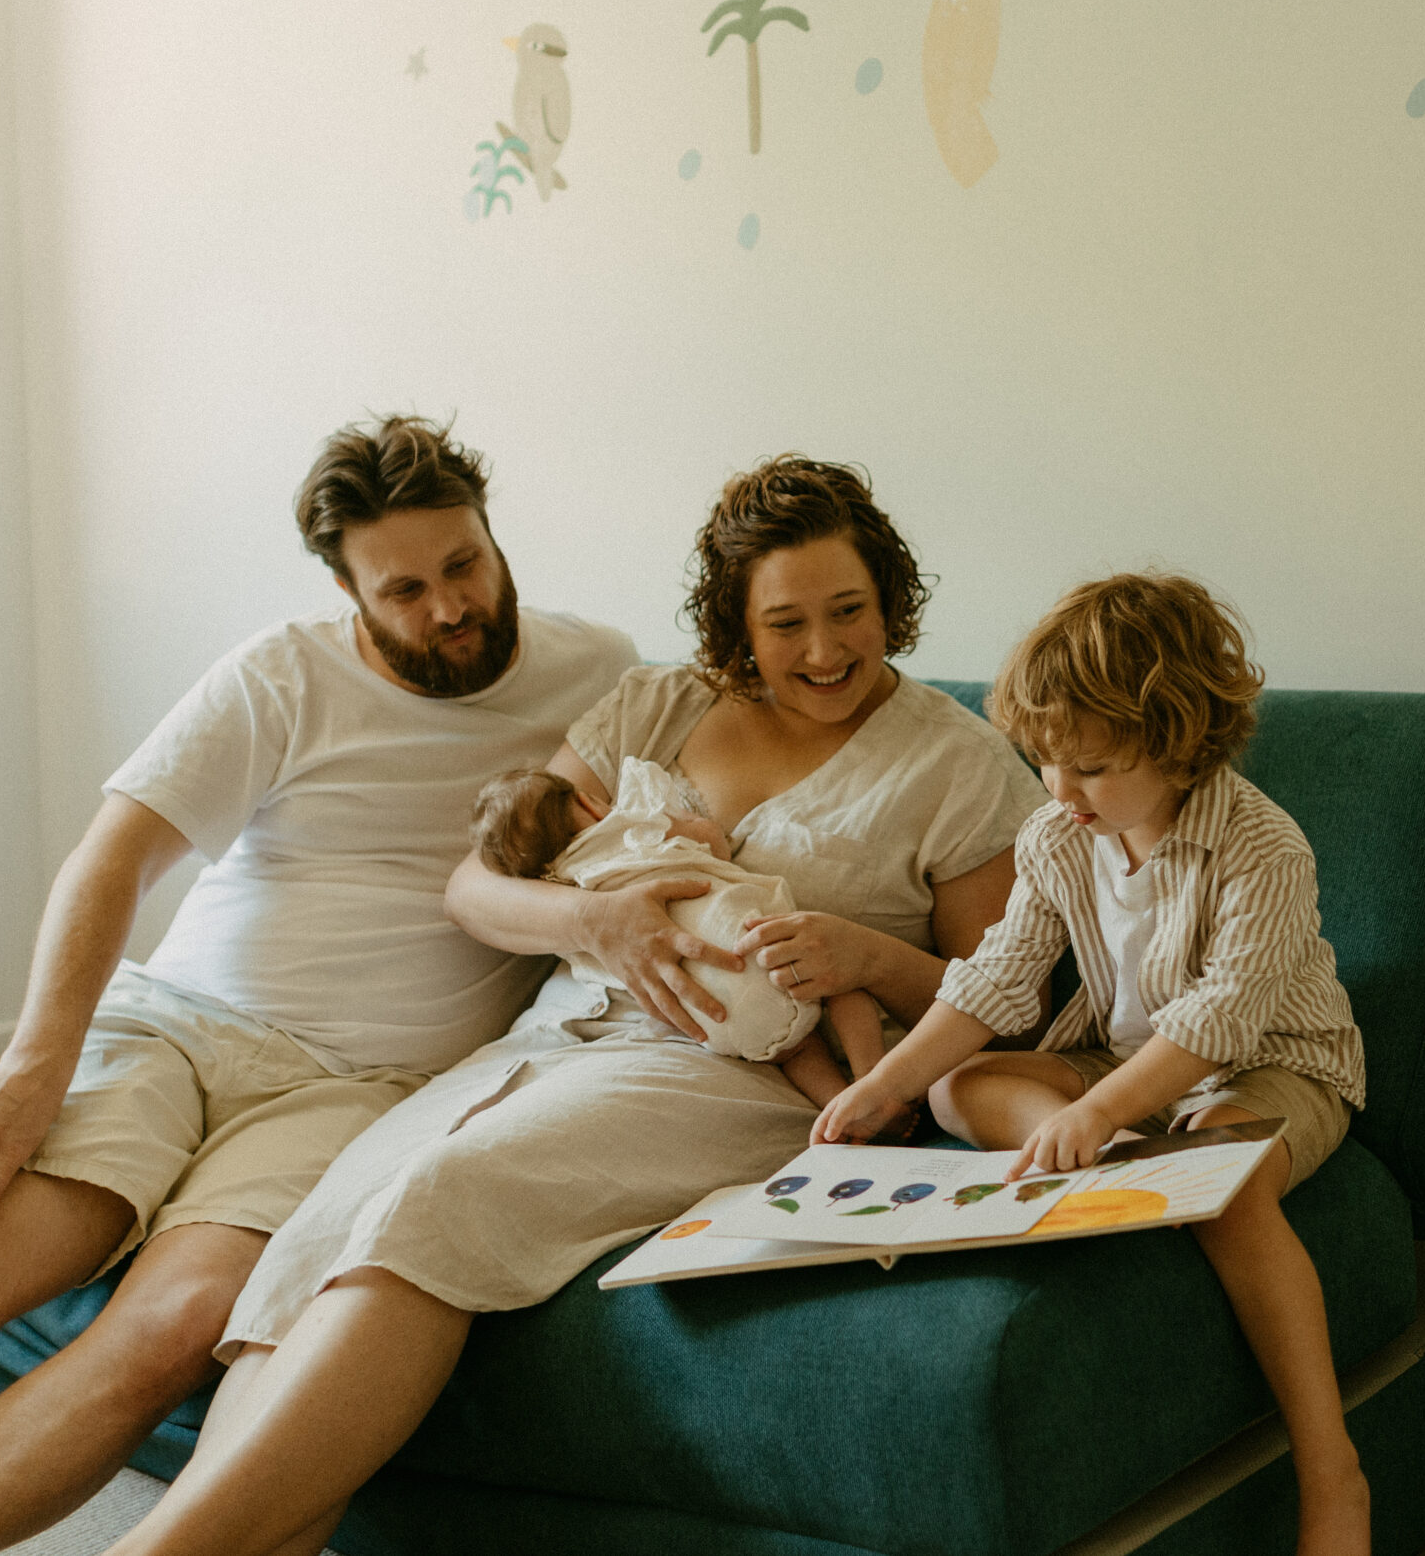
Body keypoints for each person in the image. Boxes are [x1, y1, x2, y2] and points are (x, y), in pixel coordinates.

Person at [93, 456, 1046, 1556]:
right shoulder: (658, 701)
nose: (824, 650)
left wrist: (866, 953)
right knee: (327, 1223)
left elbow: (1006, 1000)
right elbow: (476, 886)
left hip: (732, 1073)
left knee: (447, 1189)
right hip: (548, 1033)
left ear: (890, 598)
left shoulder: (958, 762)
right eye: (785, 622)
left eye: (849, 611)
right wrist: (590, 924)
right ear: (736, 623)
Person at [0, 418, 636, 1556]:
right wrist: (32, 1064)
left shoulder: (599, 673)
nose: (449, 606)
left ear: (493, 537)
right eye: (403, 588)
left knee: (176, 1325)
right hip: (176, 1026)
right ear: (345, 587)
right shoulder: (282, 673)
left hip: (360, 1086)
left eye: (464, 565)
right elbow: (113, 858)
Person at [813, 571, 1373, 1556]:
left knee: (1230, 1183)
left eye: (1094, 766)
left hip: (1273, 1065)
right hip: (1114, 1056)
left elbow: (1220, 1020)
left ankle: (1332, 1471)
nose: (1060, 791)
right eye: (1043, 762)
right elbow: (997, 979)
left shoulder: (1262, 847)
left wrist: (1094, 1111)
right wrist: (881, 1082)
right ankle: (1124, 1156)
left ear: (1179, 741)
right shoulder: (1057, 835)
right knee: (955, 1083)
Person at [470, 758, 889, 1105]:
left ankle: (838, 1105)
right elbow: (713, 843)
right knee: (839, 981)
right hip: (756, 946)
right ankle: (874, 1084)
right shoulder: (632, 826)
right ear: (588, 803)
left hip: (712, 1020)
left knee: (794, 1049)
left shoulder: (562, 886)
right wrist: (687, 824)